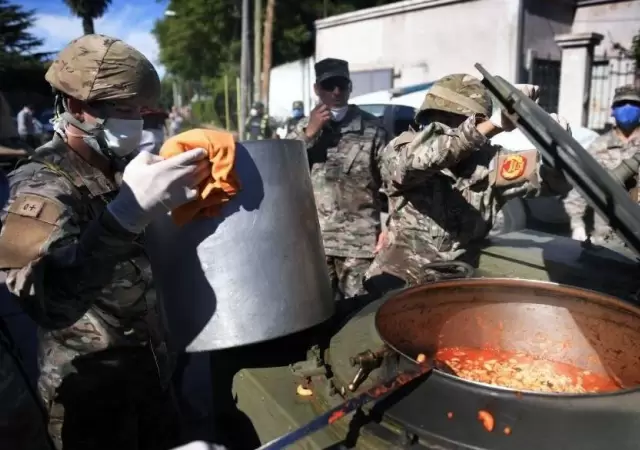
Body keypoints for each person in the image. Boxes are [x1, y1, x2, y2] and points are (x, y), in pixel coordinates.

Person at [0, 34, 212, 449]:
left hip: (151, 372)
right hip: (92, 393)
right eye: (125, 110)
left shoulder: (121, 167)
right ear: (80, 108)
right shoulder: (42, 184)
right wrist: (123, 218)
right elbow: (45, 301)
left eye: (140, 109)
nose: (137, 120)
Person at [364, 74, 572, 296]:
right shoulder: (402, 150)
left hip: (454, 291)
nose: (449, 128)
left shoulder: (489, 161)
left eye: (462, 120)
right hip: (395, 286)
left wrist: (556, 152)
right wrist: (493, 124)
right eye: (440, 121)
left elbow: (550, 182)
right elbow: (421, 160)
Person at [286, 58, 388, 300]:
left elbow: (394, 180)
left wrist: (391, 226)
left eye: (342, 85)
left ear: (350, 87)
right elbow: (282, 169)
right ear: (317, 89)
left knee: (357, 315)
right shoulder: (300, 130)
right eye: (329, 85)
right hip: (314, 242)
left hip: (359, 243)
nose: (336, 92)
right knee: (315, 311)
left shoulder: (372, 129)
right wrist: (310, 132)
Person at [564, 85, 640, 245]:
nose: (627, 108)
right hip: (604, 238)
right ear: (612, 110)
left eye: (633, 104)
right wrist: (577, 223)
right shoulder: (599, 145)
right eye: (621, 104)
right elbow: (582, 185)